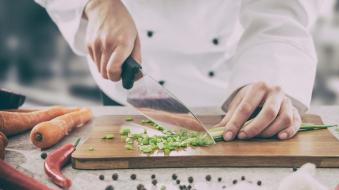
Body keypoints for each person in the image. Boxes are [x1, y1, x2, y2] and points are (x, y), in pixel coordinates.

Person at [35, 0, 321, 141]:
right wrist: (97, 4)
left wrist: (270, 77)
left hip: (231, 82)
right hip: (127, 75)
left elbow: (281, 9)